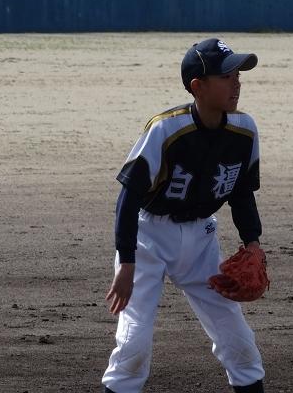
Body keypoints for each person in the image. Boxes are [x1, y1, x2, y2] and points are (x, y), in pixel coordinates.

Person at [102, 38, 266, 393]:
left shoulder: (244, 130)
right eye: (226, 76)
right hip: (148, 239)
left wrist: (252, 242)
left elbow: (241, 193)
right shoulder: (165, 130)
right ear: (198, 86)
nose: (236, 83)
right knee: (133, 345)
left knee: (238, 340)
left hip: (201, 240)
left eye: (238, 75)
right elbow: (128, 198)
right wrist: (126, 263)